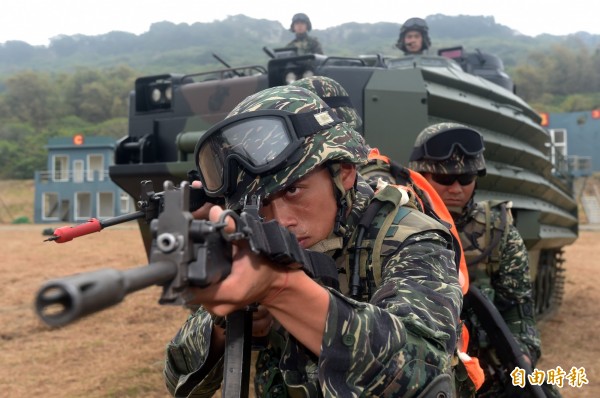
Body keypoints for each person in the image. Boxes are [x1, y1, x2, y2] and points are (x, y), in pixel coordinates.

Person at [163, 86, 463, 397]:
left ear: (344, 171)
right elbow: (177, 378)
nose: (280, 220)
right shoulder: (259, 241)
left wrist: (284, 290)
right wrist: (225, 325)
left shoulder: (410, 238)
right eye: (261, 202)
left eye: (293, 190)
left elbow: (425, 376)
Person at [407, 123, 544, 397]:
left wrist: (522, 359)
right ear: (421, 176)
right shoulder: (400, 225)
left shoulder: (498, 231)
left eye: (466, 178)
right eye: (445, 180)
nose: (456, 188)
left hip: (485, 373)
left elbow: (517, 308)